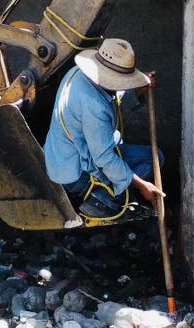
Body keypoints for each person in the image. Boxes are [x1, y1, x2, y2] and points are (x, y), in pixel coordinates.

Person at [43, 38, 165, 221]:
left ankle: (117, 192)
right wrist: (141, 185)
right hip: (75, 173)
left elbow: (110, 99)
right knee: (150, 163)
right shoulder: (93, 105)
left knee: (155, 157)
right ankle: (105, 201)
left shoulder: (78, 73)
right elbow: (103, 158)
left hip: (60, 158)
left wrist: (138, 89)